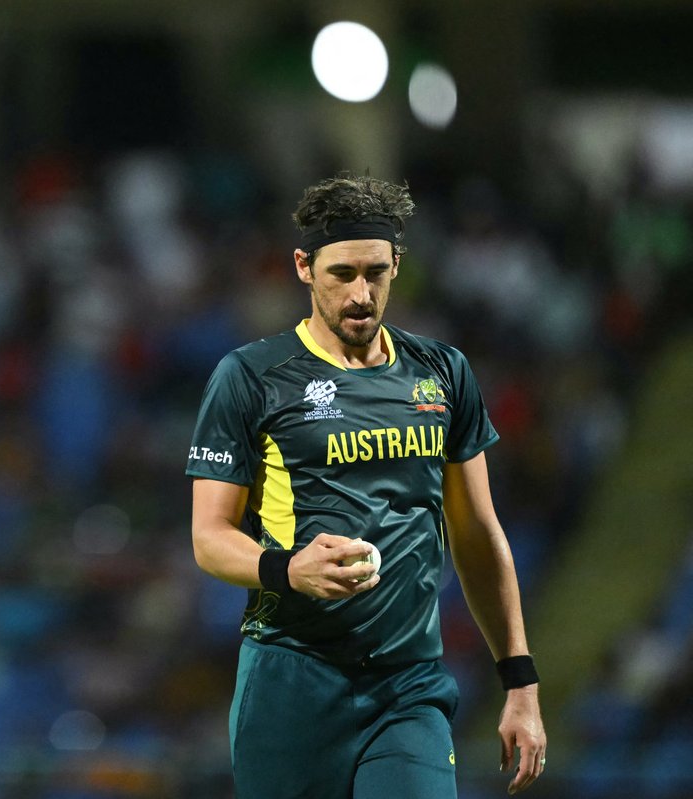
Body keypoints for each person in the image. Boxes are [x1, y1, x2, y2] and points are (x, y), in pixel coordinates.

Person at [186, 174, 546, 798]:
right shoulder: (251, 377)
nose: (361, 294)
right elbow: (208, 536)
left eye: (375, 273)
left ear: (397, 266)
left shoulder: (443, 372)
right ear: (303, 266)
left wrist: (520, 680)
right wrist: (288, 568)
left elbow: (478, 533)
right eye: (342, 273)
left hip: (406, 686)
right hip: (290, 676)